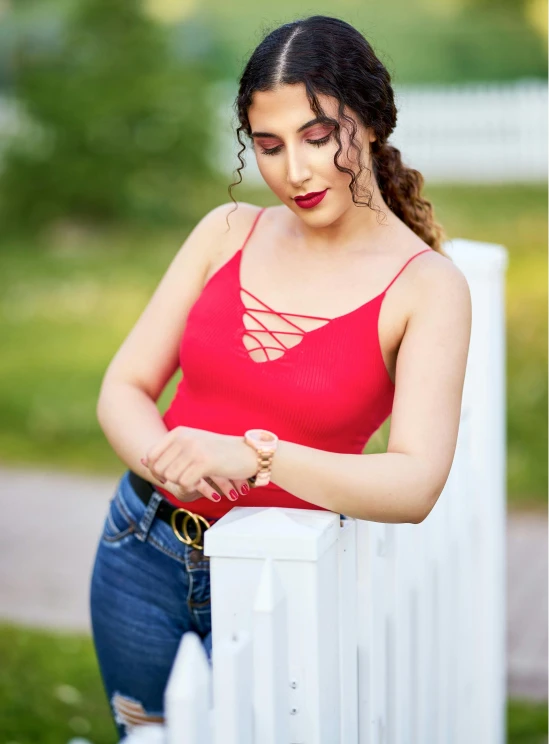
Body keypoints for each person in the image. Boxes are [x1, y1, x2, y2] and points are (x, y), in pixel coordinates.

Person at [90, 14, 472, 739]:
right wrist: (170, 463)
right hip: (140, 550)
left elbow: (415, 483)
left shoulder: (426, 287)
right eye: (267, 146)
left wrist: (258, 456)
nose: (292, 171)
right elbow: (125, 387)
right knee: (144, 736)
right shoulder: (226, 231)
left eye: (317, 136)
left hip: (281, 581)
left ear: (371, 121)